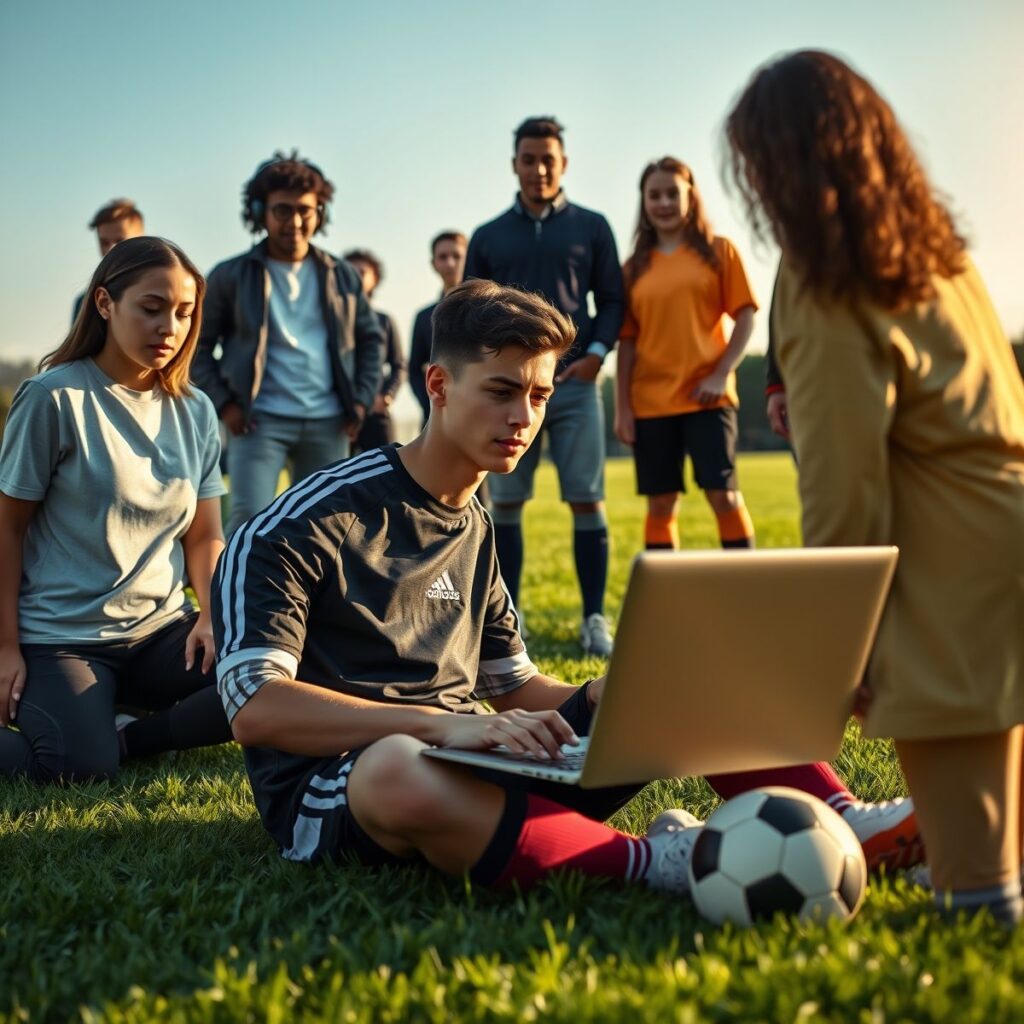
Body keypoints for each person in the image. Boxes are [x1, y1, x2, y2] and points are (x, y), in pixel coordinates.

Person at [211, 278, 922, 894]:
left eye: (539, 395)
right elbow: (255, 708)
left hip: (476, 755)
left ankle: (848, 823)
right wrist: (442, 725)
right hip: (346, 787)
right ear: (439, 386)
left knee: (678, 676)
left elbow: (516, 689)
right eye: (501, 391)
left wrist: (616, 694)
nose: (523, 418)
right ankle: (657, 861)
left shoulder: (473, 522)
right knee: (395, 765)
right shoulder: (302, 523)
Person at [725, 50, 1024, 923]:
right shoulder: (937, 252)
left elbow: (844, 487)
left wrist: (840, 637)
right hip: (1005, 527)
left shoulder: (824, 278)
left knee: (979, 894)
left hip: (950, 558)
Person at [0, 237, 233, 781]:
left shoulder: (196, 410)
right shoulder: (53, 398)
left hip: (161, 632)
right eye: (151, 308)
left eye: (183, 313)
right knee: (77, 766)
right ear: (105, 303)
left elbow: (204, 536)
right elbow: (7, 531)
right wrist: (5, 647)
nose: (169, 328)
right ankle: (93, 722)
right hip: (64, 638)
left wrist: (211, 614)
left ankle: (130, 734)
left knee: (270, 673)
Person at [464, 116, 624, 656]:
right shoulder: (489, 236)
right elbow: (470, 312)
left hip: (574, 384)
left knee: (587, 499)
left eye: (548, 160)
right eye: (529, 160)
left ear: (564, 164)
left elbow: (614, 300)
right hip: (510, 389)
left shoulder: (592, 227)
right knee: (506, 503)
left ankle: (594, 618)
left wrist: (596, 355)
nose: (538, 169)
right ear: (515, 164)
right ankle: (508, 617)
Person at [191, 151, 383, 534]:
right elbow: (197, 346)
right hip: (257, 422)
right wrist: (226, 404)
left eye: (304, 211)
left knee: (325, 529)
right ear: (259, 212)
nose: (294, 221)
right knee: (249, 522)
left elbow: (370, 340)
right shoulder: (230, 275)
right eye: (282, 210)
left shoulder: (342, 275)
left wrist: (360, 402)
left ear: (320, 213)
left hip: (329, 420)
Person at [615, 158, 757, 551]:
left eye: (672, 194)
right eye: (654, 195)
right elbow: (627, 343)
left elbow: (746, 317)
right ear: (644, 202)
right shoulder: (633, 269)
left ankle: (746, 580)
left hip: (708, 397)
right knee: (661, 505)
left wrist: (721, 373)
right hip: (651, 403)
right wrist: (623, 409)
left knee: (724, 496)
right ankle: (668, 587)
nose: (663, 203)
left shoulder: (718, 251)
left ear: (690, 197)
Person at [342, 248, 407, 452]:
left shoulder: (384, 320)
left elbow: (399, 365)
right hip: (340, 414)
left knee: (389, 465)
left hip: (376, 413)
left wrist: (387, 396)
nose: (356, 277)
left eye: (362, 272)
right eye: (350, 271)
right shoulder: (333, 322)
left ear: (375, 278)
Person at [410, 231, 468, 425]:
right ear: (433, 264)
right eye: (443, 257)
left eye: (457, 256)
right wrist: (431, 402)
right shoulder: (424, 317)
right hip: (436, 416)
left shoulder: (487, 310)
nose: (450, 263)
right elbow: (413, 369)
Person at [72, 199, 146, 321]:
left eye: (120, 241)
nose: (111, 249)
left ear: (141, 240)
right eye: (104, 243)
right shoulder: (85, 303)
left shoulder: (162, 289)